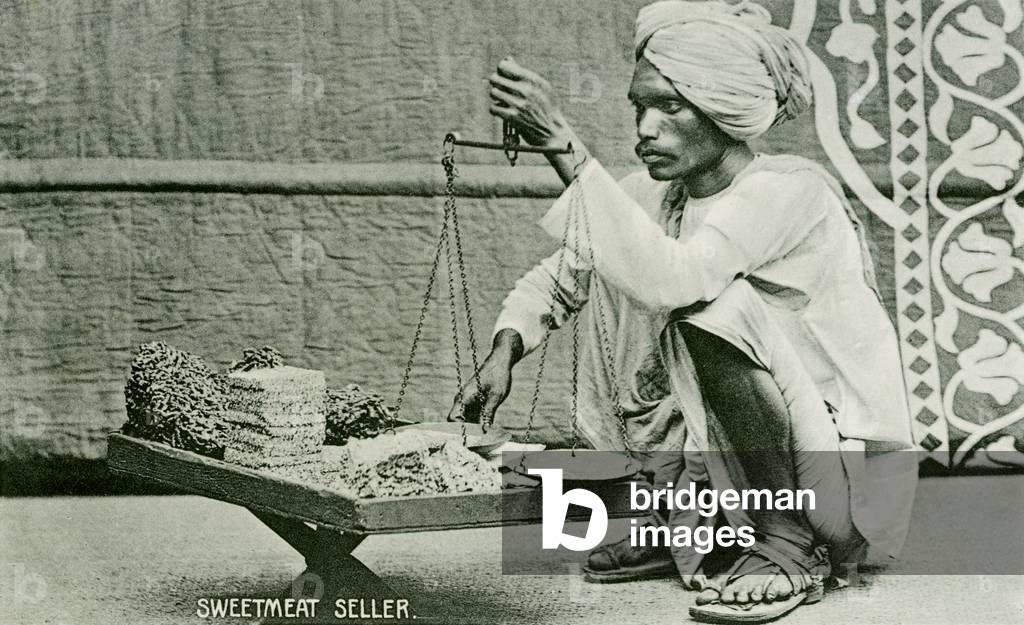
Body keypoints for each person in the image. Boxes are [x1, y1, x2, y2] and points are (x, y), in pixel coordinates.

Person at [449, 1, 917, 622]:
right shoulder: (654, 193)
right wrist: (505, 348)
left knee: (710, 307)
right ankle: (685, 534)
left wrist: (560, 142)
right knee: (623, 254)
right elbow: (563, 276)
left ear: (724, 110)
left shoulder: (787, 191)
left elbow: (675, 280)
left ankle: (788, 543)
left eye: (670, 107)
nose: (645, 127)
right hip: (715, 480)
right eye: (639, 107)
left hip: (827, 487)